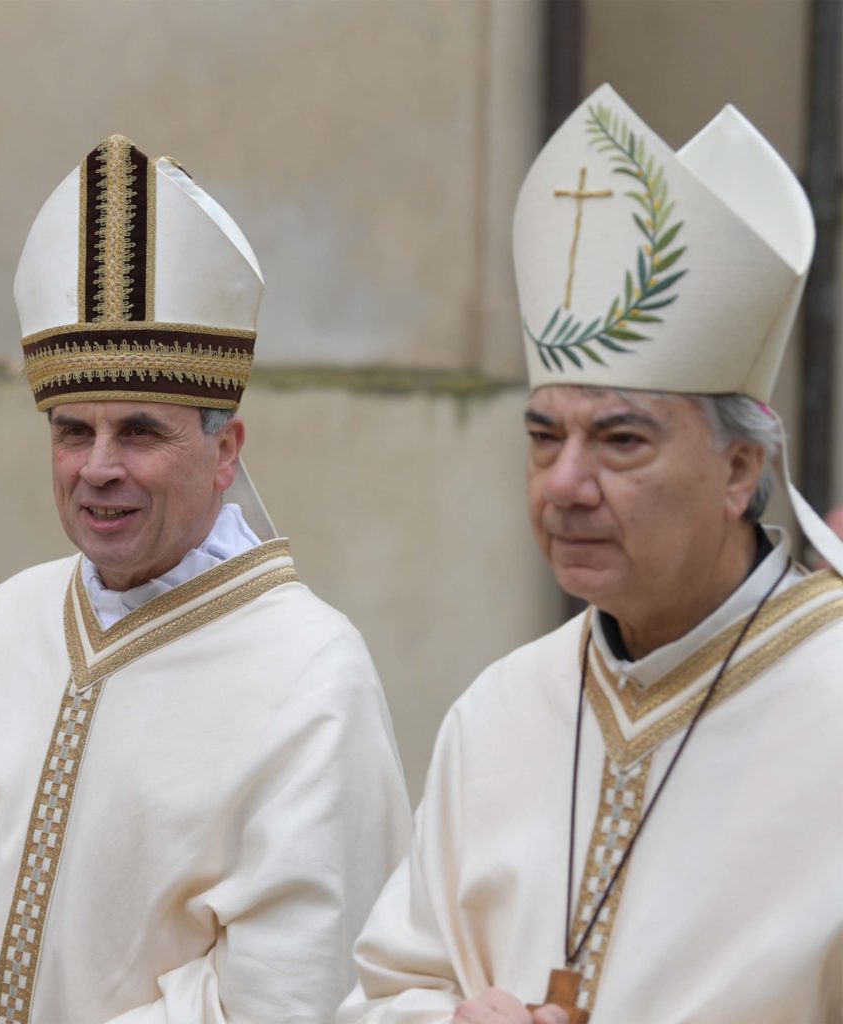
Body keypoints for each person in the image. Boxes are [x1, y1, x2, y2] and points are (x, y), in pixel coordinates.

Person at [0, 134, 410, 1024]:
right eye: (73, 431)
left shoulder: (311, 677)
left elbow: (290, 994)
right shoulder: (5, 628)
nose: (98, 467)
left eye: (140, 433)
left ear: (225, 451)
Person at [338, 85, 843, 1024]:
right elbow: (386, 992)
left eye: (620, 441)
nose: (565, 485)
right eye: (543, 438)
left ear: (739, 470)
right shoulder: (500, 710)